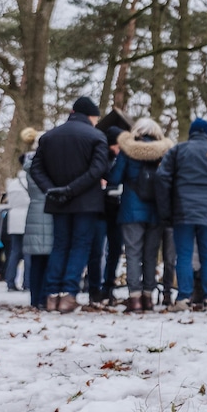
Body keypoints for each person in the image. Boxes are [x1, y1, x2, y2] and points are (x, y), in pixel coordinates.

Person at [29, 96, 109, 313]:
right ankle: (68, 294)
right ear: (91, 116)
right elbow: (98, 169)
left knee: (60, 245)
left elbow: (35, 168)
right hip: (86, 202)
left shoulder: (49, 136)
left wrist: (52, 189)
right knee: (80, 246)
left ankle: (52, 295)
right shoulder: (97, 137)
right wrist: (71, 190)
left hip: (58, 202)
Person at [156, 118, 207, 312]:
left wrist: (167, 209)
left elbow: (162, 177)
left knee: (184, 256)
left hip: (182, 212)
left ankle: (183, 298)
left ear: (191, 132)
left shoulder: (178, 150)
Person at [107, 118, 172, 313]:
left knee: (133, 254)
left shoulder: (128, 151)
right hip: (156, 211)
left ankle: (134, 298)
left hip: (131, 210)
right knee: (151, 255)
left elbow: (115, 178)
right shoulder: (164, 152)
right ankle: (148, 297)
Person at [87, 126, 125, 305]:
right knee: (97, 250)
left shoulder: (119, 158)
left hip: (115, 209)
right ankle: (94, 287)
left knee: (115, 249)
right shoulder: (101, 158)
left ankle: (108, 286)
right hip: (102, 209)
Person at [22, 148, 53, 310]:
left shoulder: (29, 167)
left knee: (36, 260)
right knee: (48, 259)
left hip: (33, 212)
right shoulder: (48, 167)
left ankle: (35, 298)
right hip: (49, 212)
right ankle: (43, 297)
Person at [4, 140, 32, 291]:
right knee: (28, 252)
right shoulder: (31, 182)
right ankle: (27, 282)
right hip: (28, 218)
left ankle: (10, 282)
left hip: (13, 220)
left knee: (14, 252)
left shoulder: (13, 183)